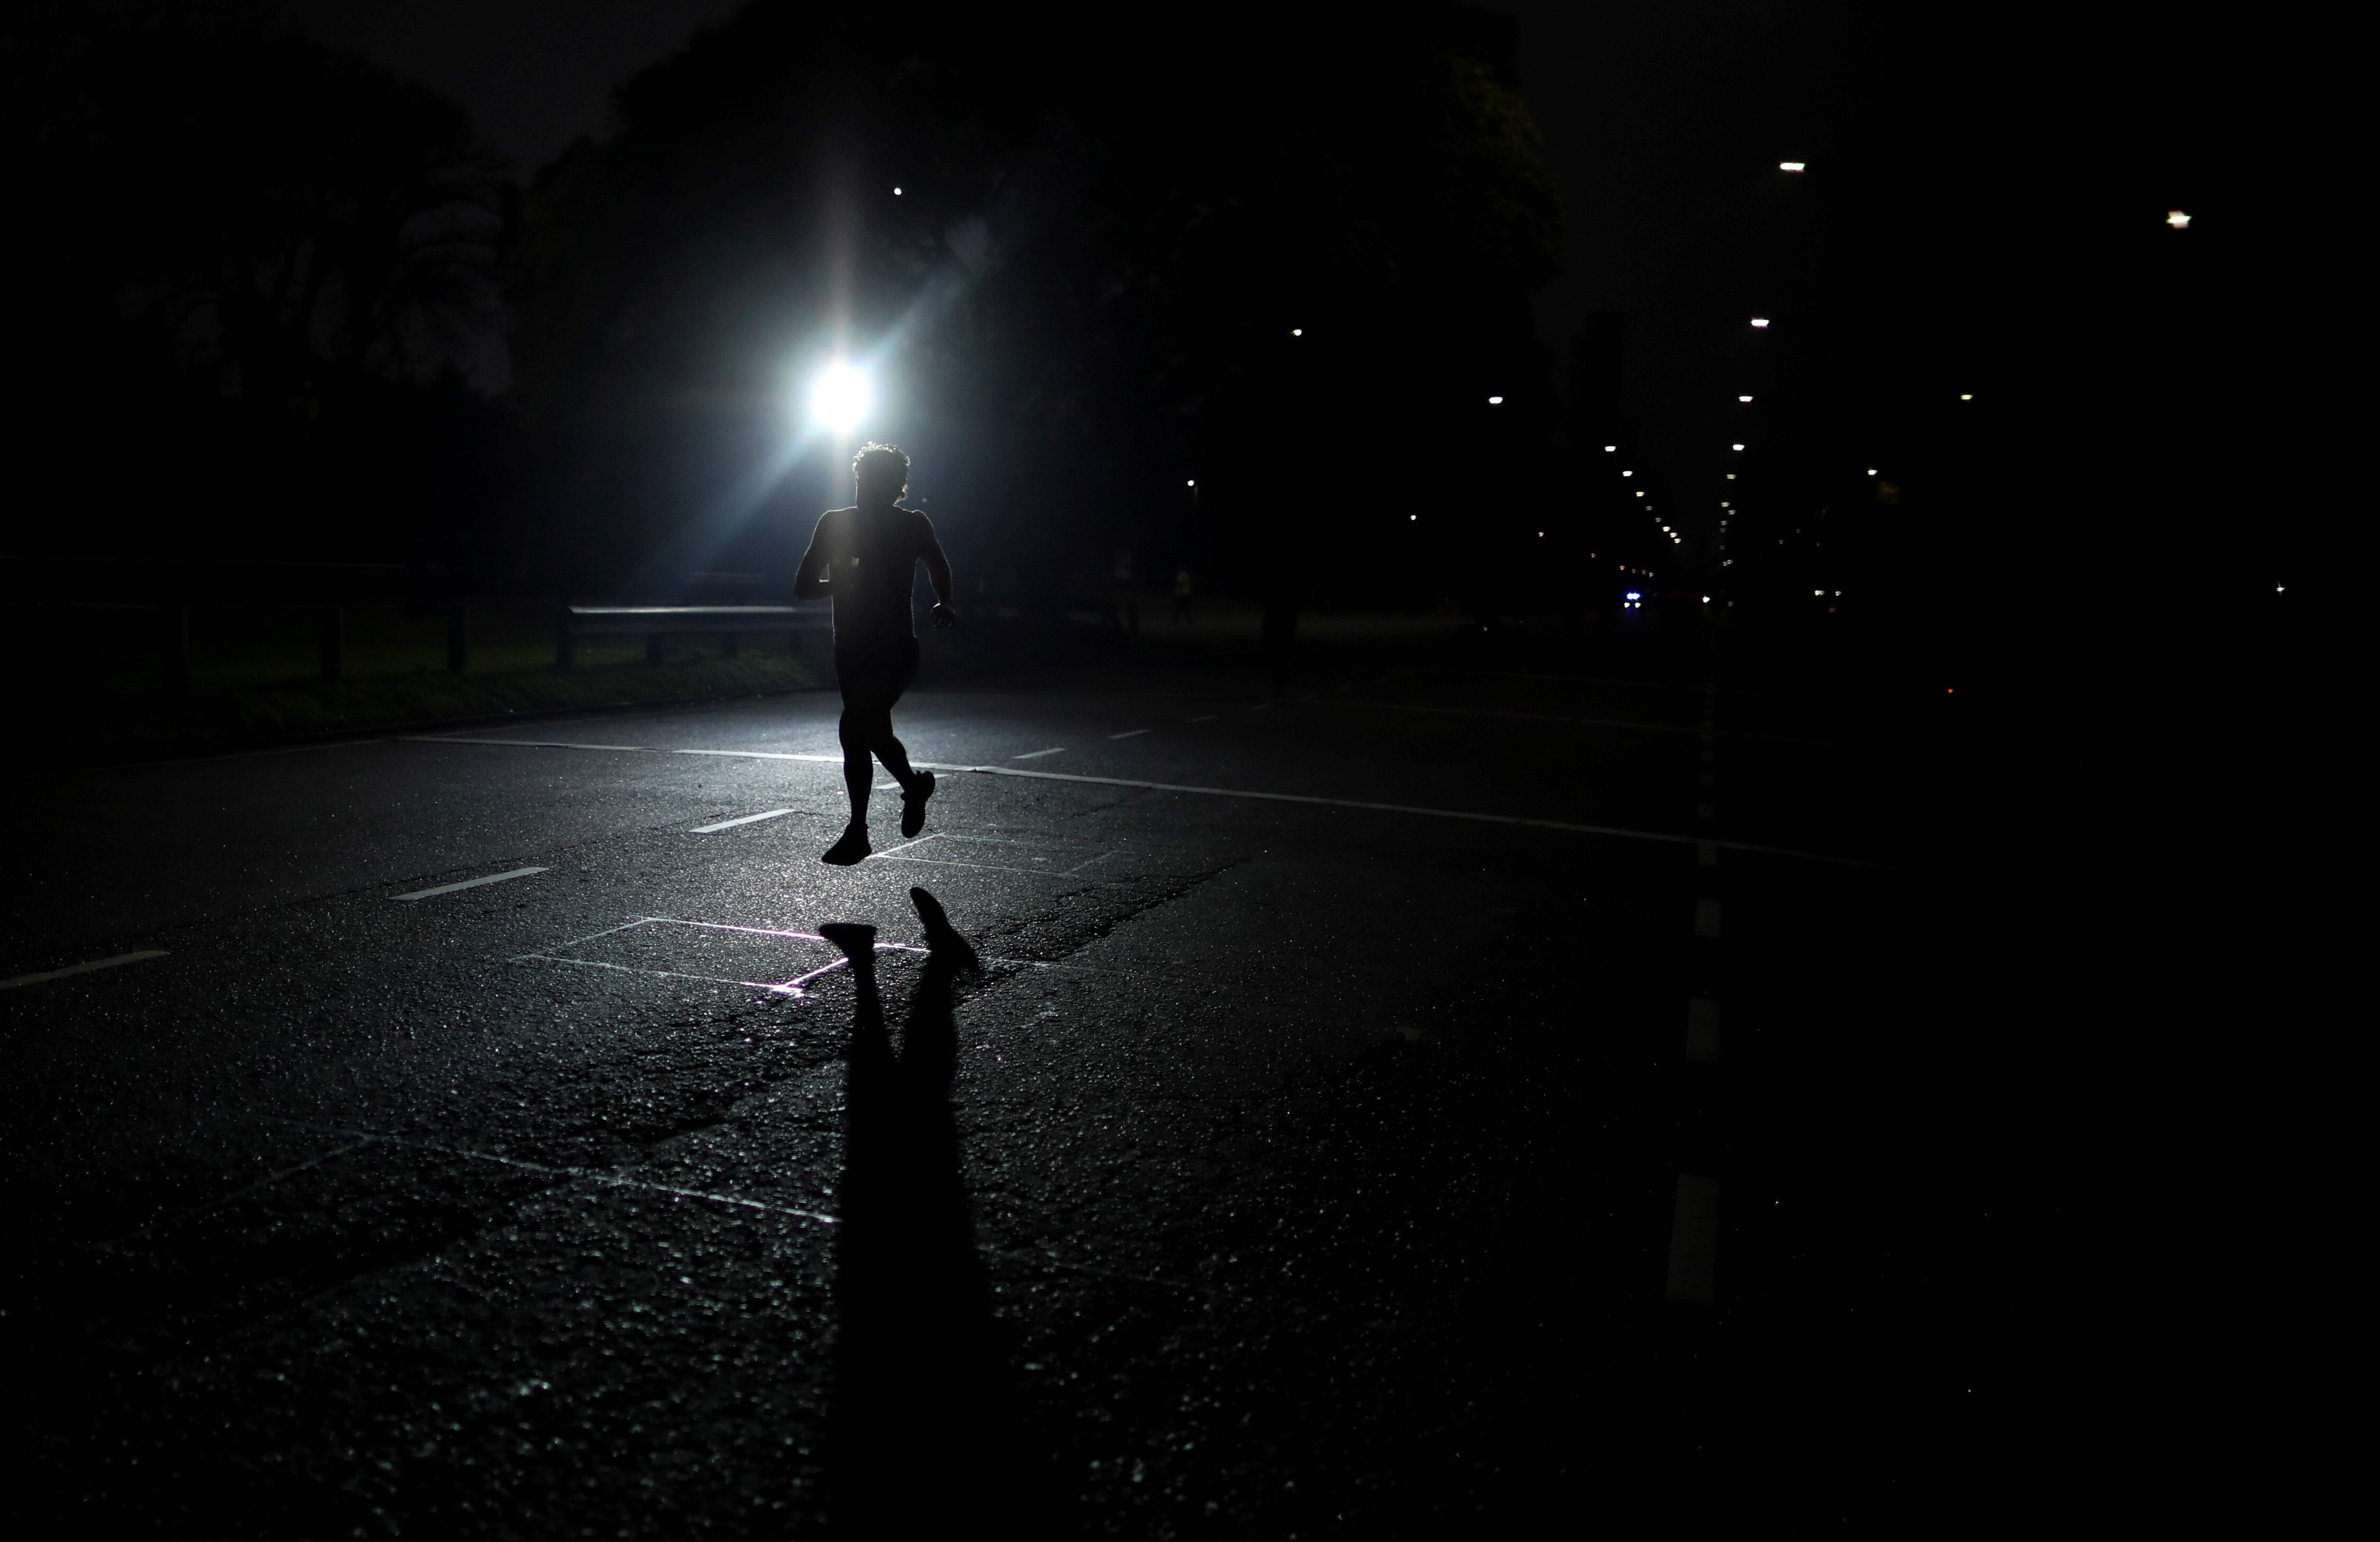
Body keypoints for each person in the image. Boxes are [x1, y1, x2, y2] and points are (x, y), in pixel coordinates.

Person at [794, 442, 957, 865]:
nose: (871, 489)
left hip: (896, 649)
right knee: (876, 734)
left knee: (853, 729)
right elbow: (804, 586)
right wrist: (839, 586)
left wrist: (945, 600)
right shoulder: (834, 524)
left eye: (883, 482)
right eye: (866, 479)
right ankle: (914, 786)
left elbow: (939, 564)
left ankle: (858, 831)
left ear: (897, 486)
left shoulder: (912, 525)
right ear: (857, 479)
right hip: (850, 651)